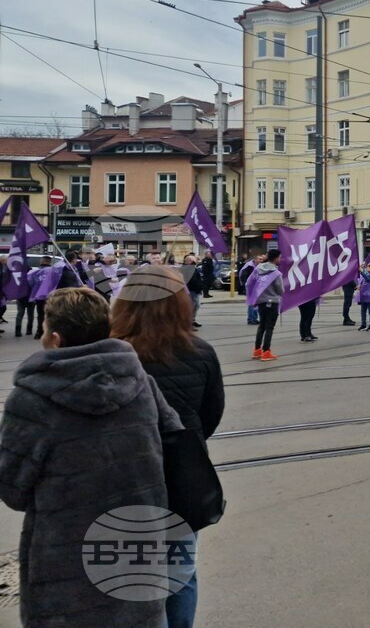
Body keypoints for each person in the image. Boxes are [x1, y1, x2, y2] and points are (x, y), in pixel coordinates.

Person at [0, 287, 183, 628]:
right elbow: (175, 447)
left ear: (55, 339)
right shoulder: (142, 383)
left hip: (65, 561)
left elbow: (13, 489)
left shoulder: (30, 399)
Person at [110, 265, 225, 627]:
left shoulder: (110, 351)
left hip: (122, 477)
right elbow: (211, 414)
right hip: (180, 476)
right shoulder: (200, 351)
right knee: (180, 576)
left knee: (127, 579)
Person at [247, 249, 283, 360]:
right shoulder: (276, 273)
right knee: (269, 328)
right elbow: (280, 290)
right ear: (276, 258)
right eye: (279, 257)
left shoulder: (258, 269)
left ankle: (257, 350)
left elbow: (249, 283)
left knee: (261, 326)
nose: (280, 259)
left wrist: (254, 296)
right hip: (272, 302)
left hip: (261, 301)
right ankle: (266, 352)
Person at [181, 253, 204, 329]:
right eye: (194, 260)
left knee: (196, 306)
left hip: (195, 290)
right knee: (191, 307)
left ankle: (192, 321)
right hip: (191, 290)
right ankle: (188, 323)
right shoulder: (186, 268)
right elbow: (190, 280)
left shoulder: (193, 267)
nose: (196, 261)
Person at [240, 254, 262, 324]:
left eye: (262, 259)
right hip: (250, 287)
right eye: (259, 259)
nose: (261, 260)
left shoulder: (259, 266)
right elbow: (243, 276)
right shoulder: (249, 266)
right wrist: (246, 285)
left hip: (257, 287)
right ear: (255, 260)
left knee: (256, 303)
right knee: (251, 303)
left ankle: (254, 318)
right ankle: (250, 319)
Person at [358, 262, 370, 331]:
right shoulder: (365, 275)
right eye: (368, 266)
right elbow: (362, 283)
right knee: (363, 312)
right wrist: (359, 286)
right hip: (364, 297)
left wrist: (362, 271)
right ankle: (363, 325)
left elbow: (368, 278)